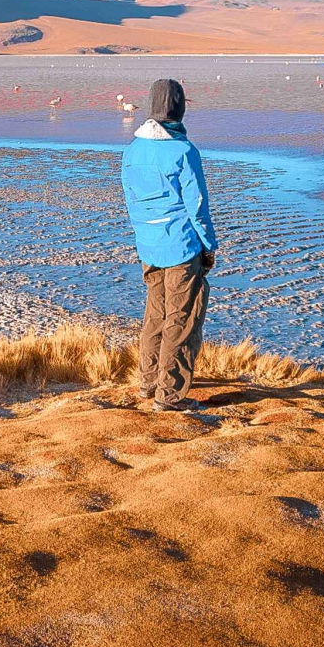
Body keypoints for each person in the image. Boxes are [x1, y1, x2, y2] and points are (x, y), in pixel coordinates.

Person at [120, 78, 217, 411]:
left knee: (155, 314)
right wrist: (208, 246)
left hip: (149, 247)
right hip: (181, 247)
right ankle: (170, 396)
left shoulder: (132, 150)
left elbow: (132, 200)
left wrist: (144, 235)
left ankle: (148, 382)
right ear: (179, 107)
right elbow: (197, 206)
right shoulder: (183, 151)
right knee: (181, 320)